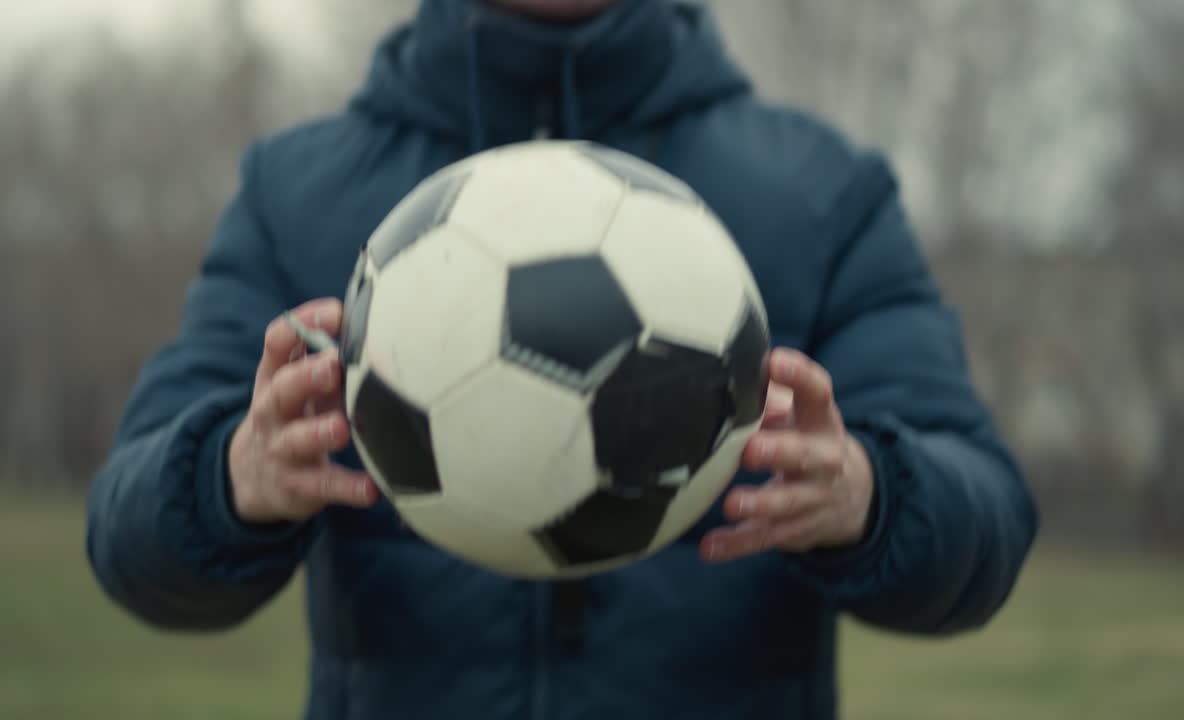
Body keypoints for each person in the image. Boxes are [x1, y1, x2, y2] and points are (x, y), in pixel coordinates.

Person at [87, 0, 1039, 718]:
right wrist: (229, 478)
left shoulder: (821, 195)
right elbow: (128, 541)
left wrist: (870, 496)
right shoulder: (296, 194)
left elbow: (985, 521)